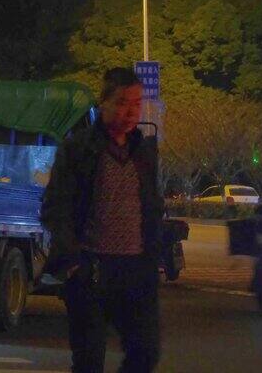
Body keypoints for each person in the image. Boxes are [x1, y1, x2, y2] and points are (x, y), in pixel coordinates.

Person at [41, 67, 164, 373]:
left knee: (146, 351)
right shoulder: (78, 149)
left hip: (135, 271)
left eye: (136, 103)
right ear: (104, 103)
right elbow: (57, 206)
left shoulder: (144, 152)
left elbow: (151, 206)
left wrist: (154, 256)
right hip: (91, 270)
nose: (130, 111)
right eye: (122, 102)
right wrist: (72, 263)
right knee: (88, 360)